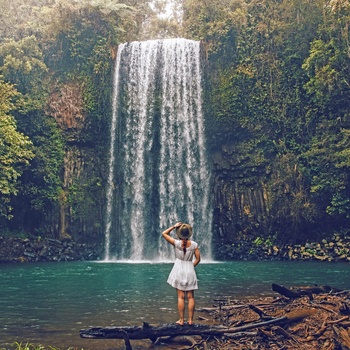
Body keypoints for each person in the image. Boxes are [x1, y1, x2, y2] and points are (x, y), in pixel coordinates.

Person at [162, 222, 201, 326]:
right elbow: (198, 259)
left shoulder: (176, 243)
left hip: (178, 269)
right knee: (191, 297)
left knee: (180, 297)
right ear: (189, 234)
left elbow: (164, 234)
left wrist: (174, 226)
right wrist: (191, 266)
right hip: (189, 269)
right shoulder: (194, 245)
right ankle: (191, 320)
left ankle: (181, 320)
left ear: (179, 234)